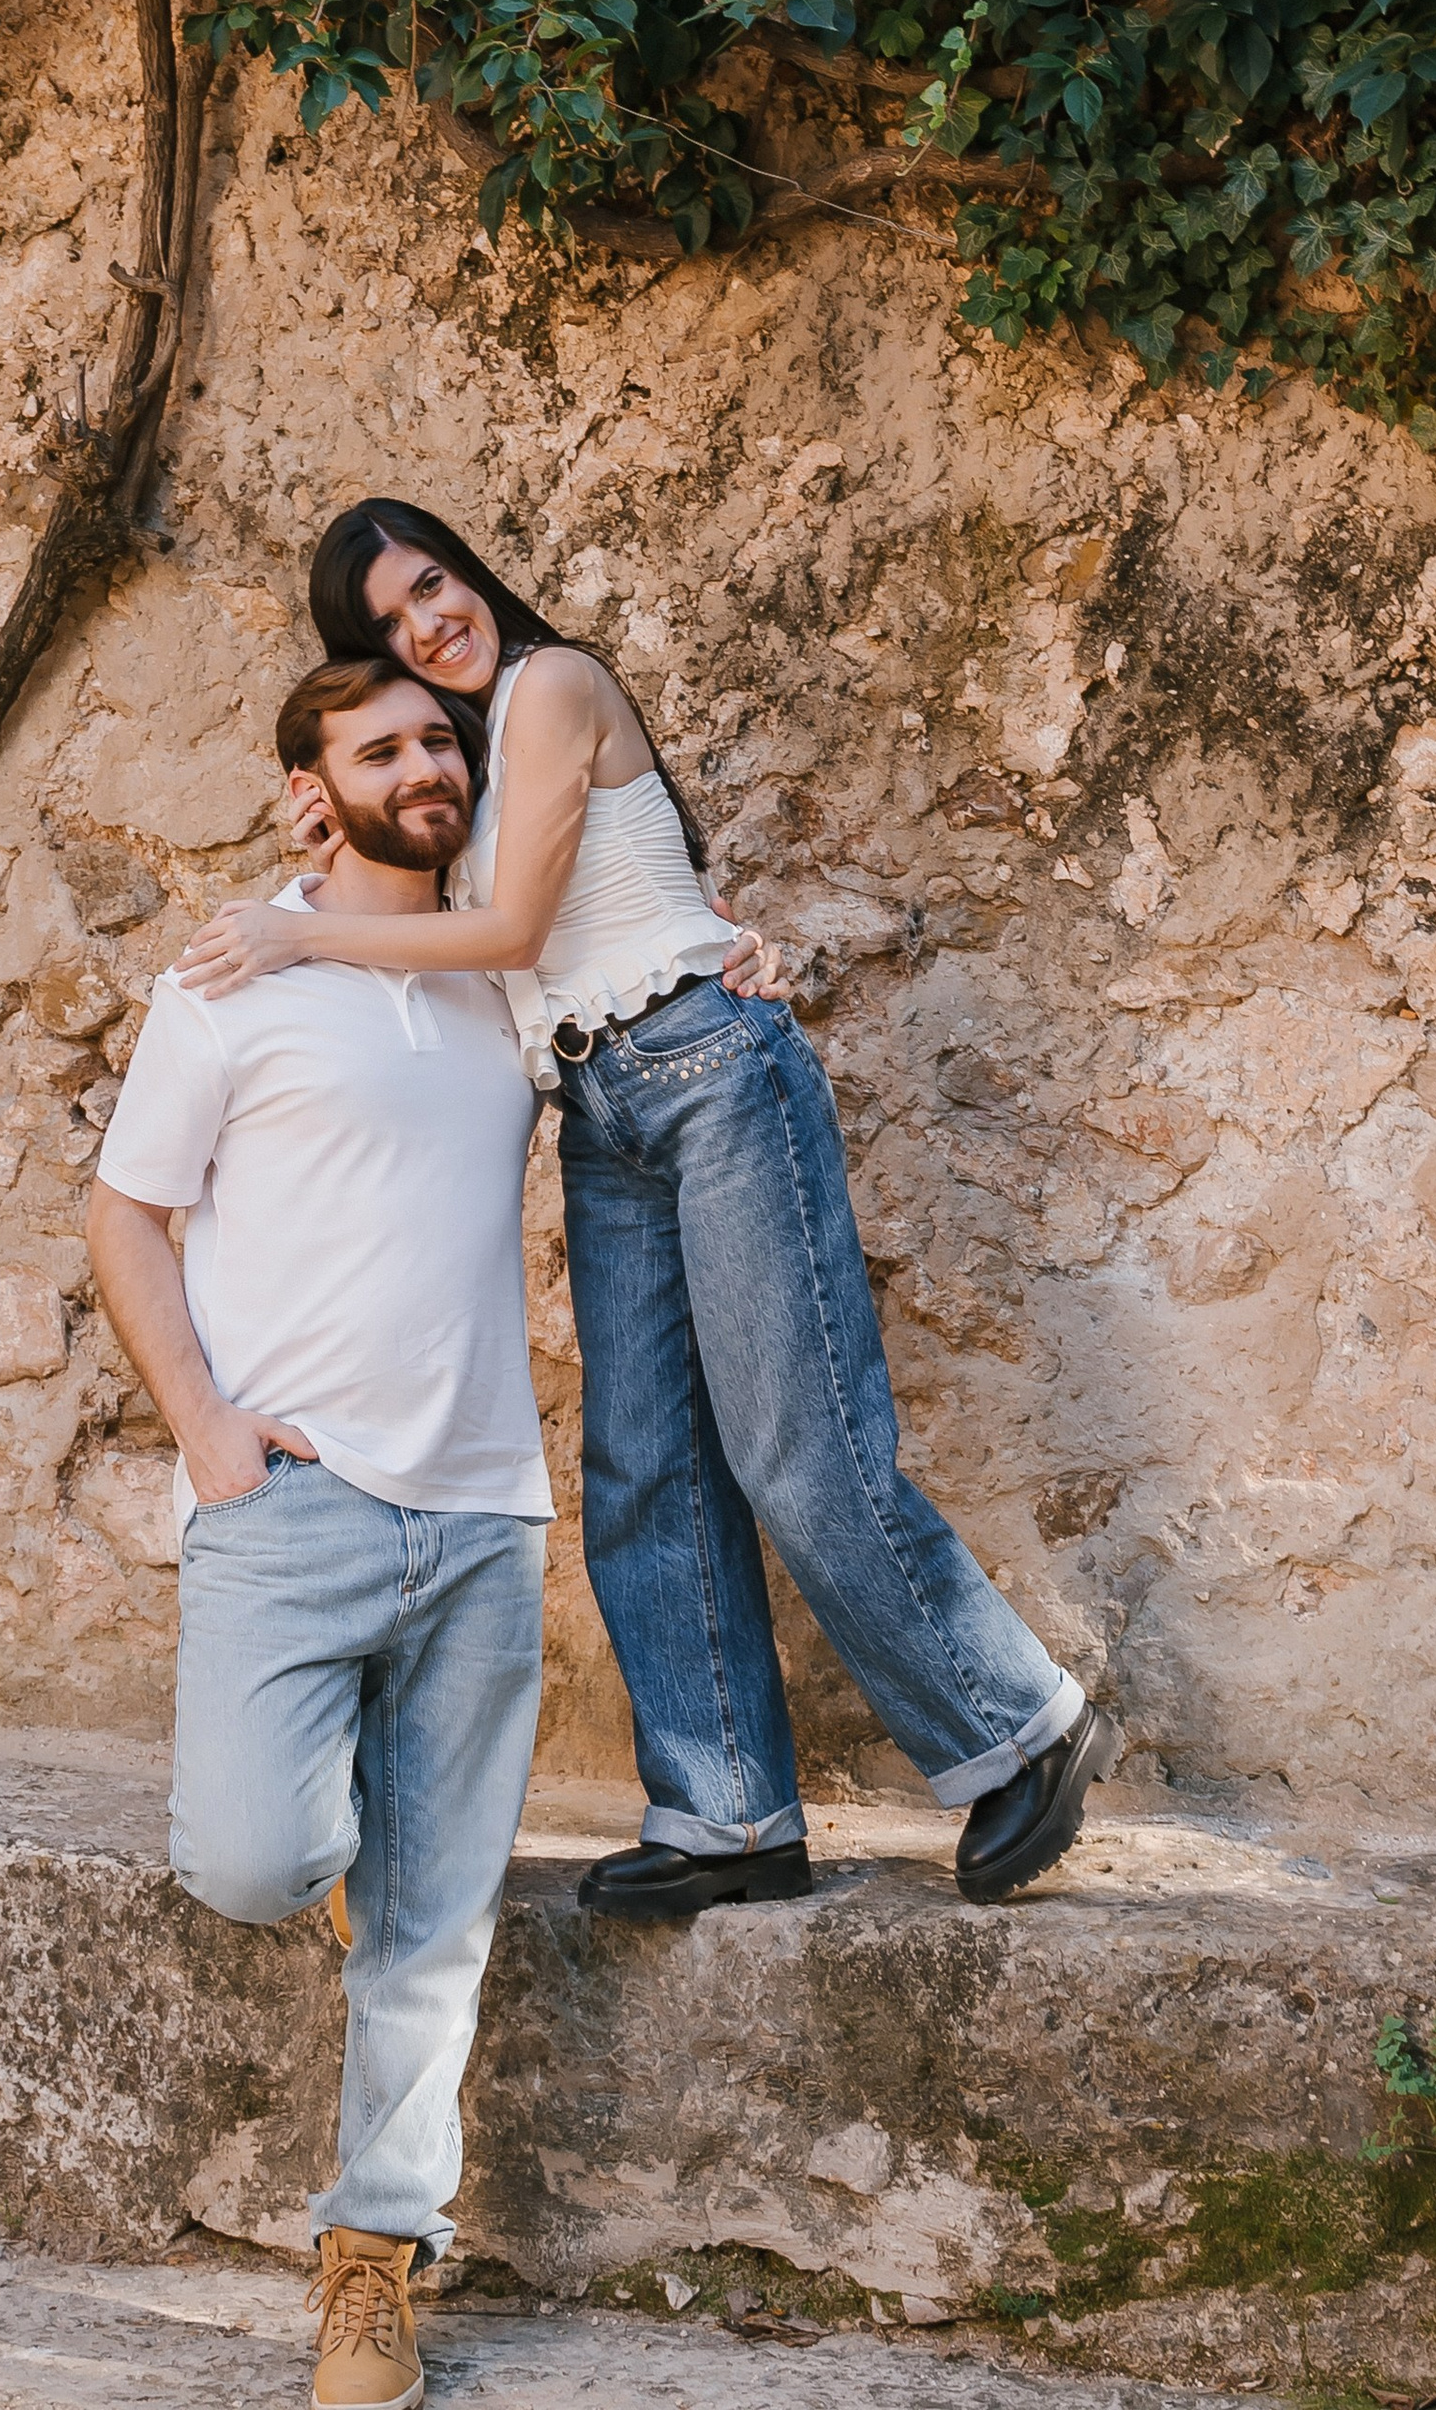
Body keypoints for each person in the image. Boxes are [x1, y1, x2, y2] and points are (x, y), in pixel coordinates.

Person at [177, 500, 1116, 1920]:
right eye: (390, 627)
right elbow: (462, 916)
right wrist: (317, 849)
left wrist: (296, 926)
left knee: (794, 1442)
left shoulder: (553, 685)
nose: (430, 625)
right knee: (640, 1469)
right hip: (603, 1110)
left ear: (469, 573)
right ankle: (727, 1808)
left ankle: (1025, 1730)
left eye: (432, 585)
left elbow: (511, 937)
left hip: (708, 1072)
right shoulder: (470, 770)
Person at [89, 653, 552, 2410]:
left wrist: (738, 957)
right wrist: (204, 1428)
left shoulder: (508, 975)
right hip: (294, 1505)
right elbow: (124, 1217)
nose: (427, 765)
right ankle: (334, 1828)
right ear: (311, 793)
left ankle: (371, 2265)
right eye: (386, 748)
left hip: (487, 1514)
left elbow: (640, 994)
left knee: (436, 1927)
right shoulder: (230, 981)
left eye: (444, 740)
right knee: (258, 1863)